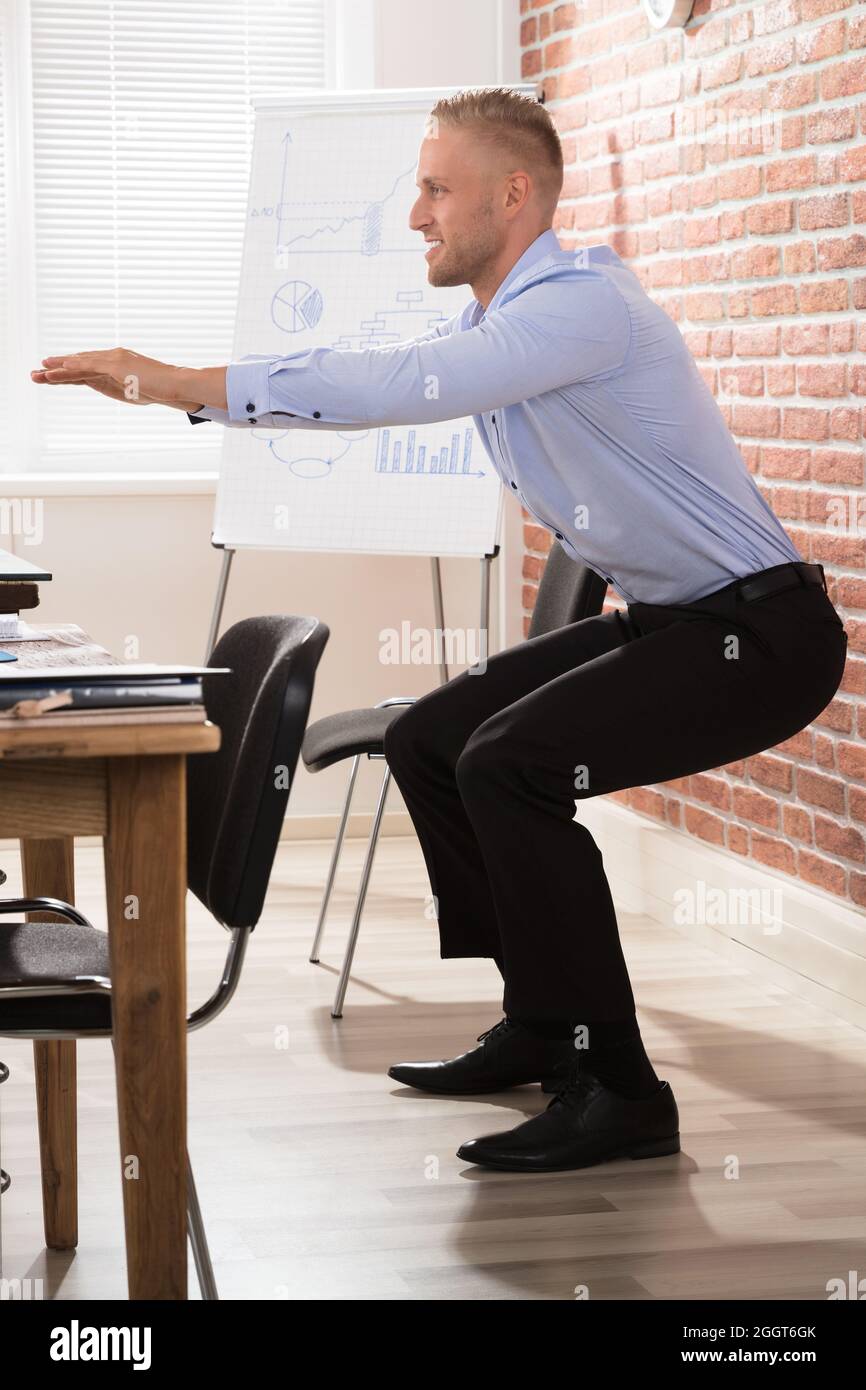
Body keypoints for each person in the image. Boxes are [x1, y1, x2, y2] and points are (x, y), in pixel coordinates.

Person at [30, 88, 848, 1174]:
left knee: (509, 764)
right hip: (670, 620)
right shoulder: (507, 322)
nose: (413, 215)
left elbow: (385, 386)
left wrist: (177, 381)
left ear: (511, 195)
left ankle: (618, 1086)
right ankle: (542, 1020)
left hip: (763, 635)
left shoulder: (578, 311)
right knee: (431, 738)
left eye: (432, 188)